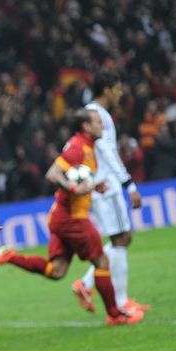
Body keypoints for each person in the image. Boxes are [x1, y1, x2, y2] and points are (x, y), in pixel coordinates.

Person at [0, 108, 144, 327]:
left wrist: (93, 186)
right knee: (102, 261)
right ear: (86, 126)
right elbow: (53, 174)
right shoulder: (78, 148)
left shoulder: (87, 147)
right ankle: (115, 314)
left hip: (60, 216)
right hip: (72, 219)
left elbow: (78, 179)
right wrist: (73, 188)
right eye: (97, 122)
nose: (102, 126)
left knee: (55, 271)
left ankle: (10, 256)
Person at [71, 72, 149, 316]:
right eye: (117, 88)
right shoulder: (95, 114)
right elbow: (106, 152)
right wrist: (129, 184)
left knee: (122, 239)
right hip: (107, 185)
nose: (120, 93)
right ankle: (119, 300)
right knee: (120, 239)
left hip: (104, 183)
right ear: (106, 89)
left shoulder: (98, 113)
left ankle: (87, 284)